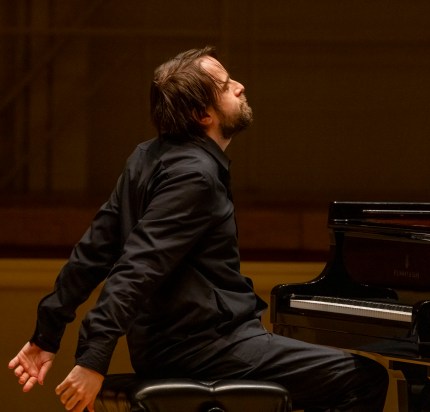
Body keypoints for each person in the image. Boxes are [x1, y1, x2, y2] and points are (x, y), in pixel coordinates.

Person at [8, 46, 389, 412]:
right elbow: (138, 267)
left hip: (174, 344)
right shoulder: (196, 176)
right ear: (201, 114)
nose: (239, 86)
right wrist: (93, 358)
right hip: (207, 348)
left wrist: (46, 335)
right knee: (362, 378)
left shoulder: (146, 157)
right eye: (225, 86)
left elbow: (92, 253)